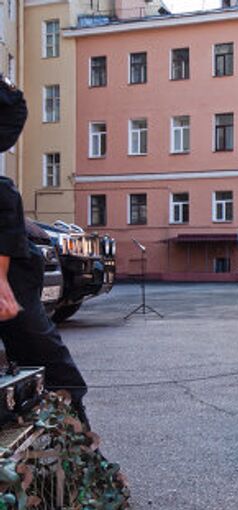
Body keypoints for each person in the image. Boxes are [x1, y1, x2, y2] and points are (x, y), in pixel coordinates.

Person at [0, 76, 90, 426]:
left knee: (49, 365)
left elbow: (13, 105)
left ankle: (79, 439)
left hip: (20, 282)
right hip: (15, 288)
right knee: (48, 361)